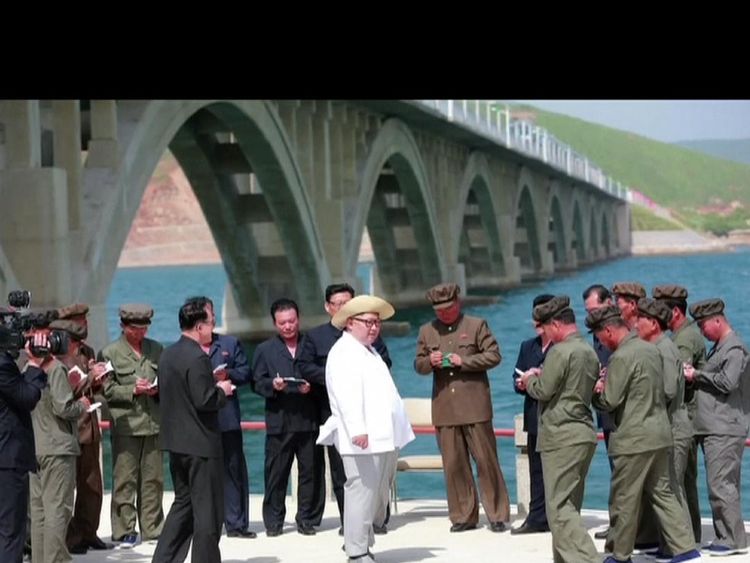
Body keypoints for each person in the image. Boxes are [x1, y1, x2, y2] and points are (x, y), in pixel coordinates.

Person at [586, 306, 699, 563]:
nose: (601, 343)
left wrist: (596, 391)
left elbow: (610, 399)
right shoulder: (653, 350)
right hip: (659, 434)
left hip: (633, 439)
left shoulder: (622, 357)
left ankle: (620, 554)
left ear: (608, 330)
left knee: (624, 498)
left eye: (600, 338)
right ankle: (686, 550)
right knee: (664, 493)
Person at [319, 295, 414, 563]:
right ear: (350, 323)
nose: (374, 328)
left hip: (381, 436)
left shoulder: (368, 350)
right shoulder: (344, 352)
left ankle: (362, 542)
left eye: (377, 323)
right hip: (362, 438)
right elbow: (347, 396)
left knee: (373, 495)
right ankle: (356, 550)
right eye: (368, 322)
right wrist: (357, 430)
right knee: (361, 493)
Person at [414, 282, 510, 533]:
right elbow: (418, 365)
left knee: (486, 461)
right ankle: (462, 516)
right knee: (454, 464)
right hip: (445, 408)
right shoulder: (426, 330)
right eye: (439, 310)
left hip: (475, 405)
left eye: (448, 308)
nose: (444, 313)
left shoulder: (476, 325)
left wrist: (463, 361)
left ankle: (497, 514)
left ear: (458, 303)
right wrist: (430, 362)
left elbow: (494, 356)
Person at [297, 283, 392, 535]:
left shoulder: (370, 339)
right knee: (346, 474)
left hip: (371, 418)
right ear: (329, 308)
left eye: (349, 302)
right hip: (334, 412)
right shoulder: (318, 338)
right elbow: (304, 366)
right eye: (339, 304)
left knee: (374, 476)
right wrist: (327, 376)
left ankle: (372, 521)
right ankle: (349, 526)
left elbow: (385, 361)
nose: (344, 307)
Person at [152, 297, 235, 563]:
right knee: (208, 515)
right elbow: (205, 400)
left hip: (177, 443)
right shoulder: (198, 357)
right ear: (199, 326)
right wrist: (221, 391)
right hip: (201, 446)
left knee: (183, 507)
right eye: (211, 321)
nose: (213, 326)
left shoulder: (168, 353)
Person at [517, 296, 599, 563]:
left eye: (545, 327)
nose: (545, 334)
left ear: (555, 324)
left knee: (559, 509)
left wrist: (529, 379)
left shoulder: (559, 351)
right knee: (569, 506)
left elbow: (543, 391)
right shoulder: (588, 350)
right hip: (583, 432)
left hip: (561, 435)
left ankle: (588, 559)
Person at [684, 298, 749, 557]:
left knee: (722, 484)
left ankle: (733, 539)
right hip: (716, 426)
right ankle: (726, 534)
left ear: (717, 320)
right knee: (720, 484)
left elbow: (727, 382)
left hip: (725, 427)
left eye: (703, 325)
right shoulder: (720, 348)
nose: (701, 331)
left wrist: (696, 375)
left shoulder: (734, 349)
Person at [251, 298, 318, 537]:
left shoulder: (310, 344)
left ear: (298, 319)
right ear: (275, 323)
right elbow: (256, 383)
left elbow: (323, 376)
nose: (288, 326)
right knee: (276, 474)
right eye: (282, 323)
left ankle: (306, 520)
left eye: (291, 321)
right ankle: (273, 523)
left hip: (308, 419)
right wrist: (273, 384)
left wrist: (312, 388)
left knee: (310, 472)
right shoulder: (264, 350)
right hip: (279, 421)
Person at [99, 304, 164, 547]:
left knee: (153, 479)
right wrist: (132, 390)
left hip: (153, 423)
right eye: (135, 329)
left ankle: (153, 527)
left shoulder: (156, 349)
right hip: (126, 424)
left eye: (144, 328)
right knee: (124, 478)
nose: (140, 334)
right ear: (123, 327)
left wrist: (158, 388)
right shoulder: (109, 353)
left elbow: (167, 378)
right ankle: (124, 529)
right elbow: (107, 389)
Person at [634, 298, 693, 560]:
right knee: (667, 487)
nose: (636, 324)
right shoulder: (656, 347)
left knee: (672, 489)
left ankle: (683, 546)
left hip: (673, 426)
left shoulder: (664, 350)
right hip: (665, 426)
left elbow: (668, 389)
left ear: (654, 324)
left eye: (641, 319)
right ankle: (670, 543)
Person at [194, 297, 256, 539]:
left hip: (227, 418)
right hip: (200, 421)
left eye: (211, 319)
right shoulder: (187, 349)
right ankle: (205, 522)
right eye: (206, 320)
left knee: (233, 470)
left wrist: (227, 373)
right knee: (202, 475)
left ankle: (237, 523)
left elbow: (245, 372)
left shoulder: (230, 343)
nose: (211, 323)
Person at [30, 318, 91, 563]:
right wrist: (83, 406)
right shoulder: (55, 369)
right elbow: (64, 408)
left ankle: (40, 558)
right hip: (58, 449)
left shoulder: (30, 368)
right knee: (58, 509)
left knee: (40, 511)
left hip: (36, 446)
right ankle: (55, 559)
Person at [55, 304, 114, 554]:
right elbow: (65, 393)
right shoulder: (58, 355)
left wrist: (99, 379)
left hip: (89, 426)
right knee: (67, 487)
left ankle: (89, 531)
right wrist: (89, 377)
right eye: (79, 322)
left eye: (85, 321)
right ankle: (71, 537)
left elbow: (92, 389)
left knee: (92, 484)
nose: (84, 326)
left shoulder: (88, 350)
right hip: (70, 428)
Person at [652, 284, 705, 544]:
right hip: (690, 418)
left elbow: (675, 383)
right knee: (686, 482)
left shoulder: (683, 339)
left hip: (683, 417)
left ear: (674, 311)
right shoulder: (686, 334)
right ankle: (690, 535)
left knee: (676, 483)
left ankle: (681, 541)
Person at [0, 331, 49, 563]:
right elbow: (28, 397)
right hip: (7, 461)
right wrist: (34, 364)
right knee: (11, 532)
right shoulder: (2, 365)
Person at [510, 293, 554, 535]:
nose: (537, 322)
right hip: (533, 417)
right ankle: (537, 517)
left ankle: (557, 516)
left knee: (557, 470)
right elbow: (515, 377)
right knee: (535, 470)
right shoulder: (528, 346)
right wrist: (521, 383)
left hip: (555, 419)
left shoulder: (561, 347)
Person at [581, 283, 615, 540]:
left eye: (595, 309)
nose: (591, 316)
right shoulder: (596, 330)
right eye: (588, 311)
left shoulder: (623, 328)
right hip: (604, 409)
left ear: (609, 303)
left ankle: (628, 525)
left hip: (622, 408)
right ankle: (619, 522)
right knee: (617, 469)